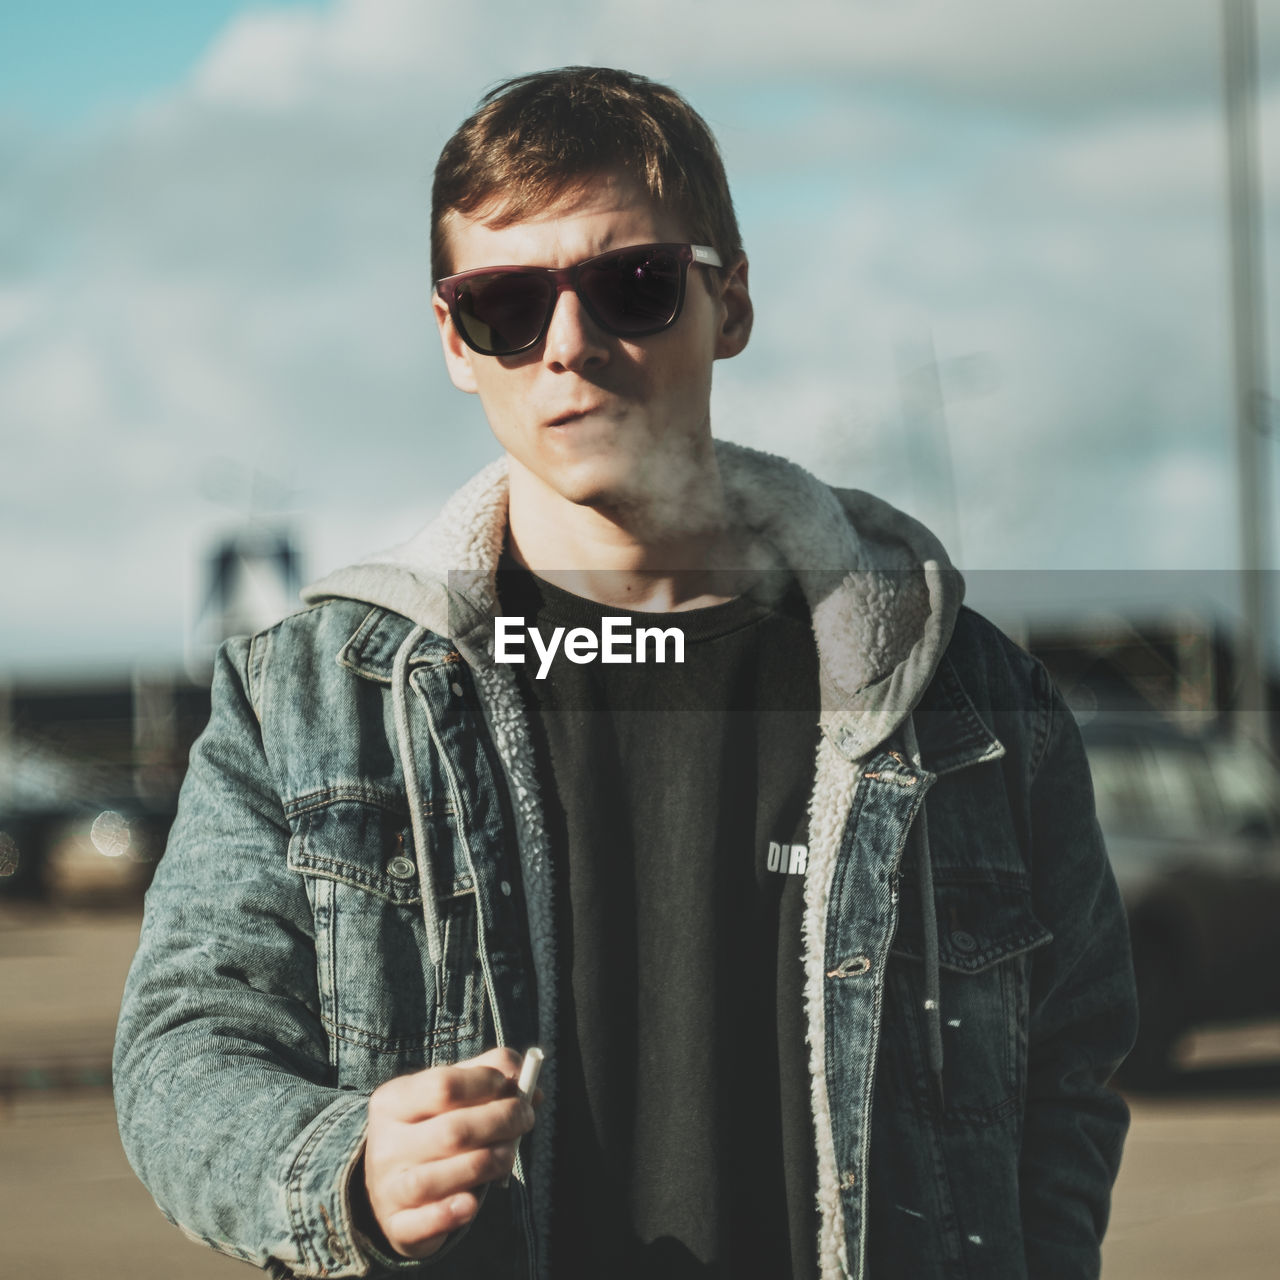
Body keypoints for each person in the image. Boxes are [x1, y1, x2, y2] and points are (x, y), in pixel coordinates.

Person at [114, 66, 1138, 1280]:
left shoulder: (966, 699)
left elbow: (1065, 1066)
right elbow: (185, 1047)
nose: (570, 347)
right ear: (453, 337)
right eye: (506, 303)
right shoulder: (312, 699)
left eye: (631, 285)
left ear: (731, 299)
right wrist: (344, 1164)